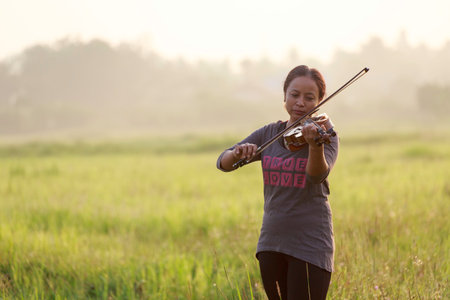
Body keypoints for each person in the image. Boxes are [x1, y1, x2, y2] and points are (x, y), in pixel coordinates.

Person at [216, 65, 339, 300]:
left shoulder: (325, 135)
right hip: (271, 243)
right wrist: (239, 152)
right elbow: (223, 163)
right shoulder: (269, 133)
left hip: (311, 246)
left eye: (309, 97)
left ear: (319, 102)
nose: (300, 102)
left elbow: (316, 176)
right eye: (294, 95)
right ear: (284, 96)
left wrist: (314, 145)